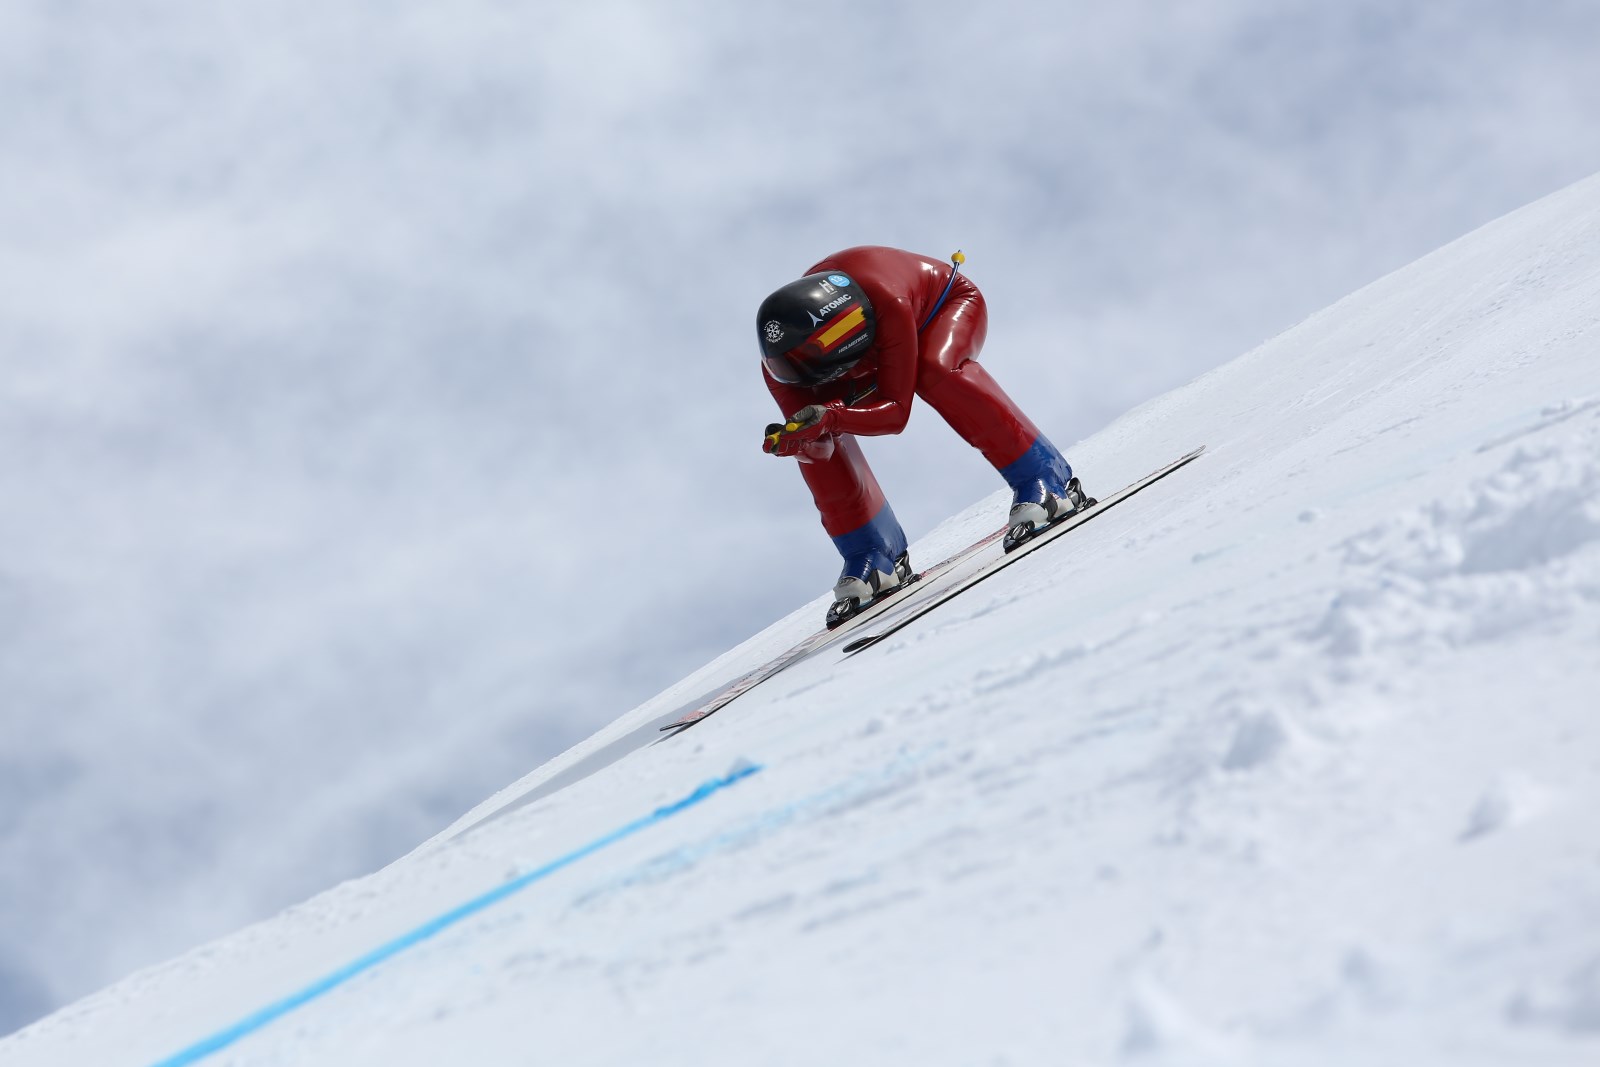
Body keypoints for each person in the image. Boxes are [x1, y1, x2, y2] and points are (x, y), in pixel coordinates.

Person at [757, 245, 1092, 626]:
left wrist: (832, 415)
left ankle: (1047, 481)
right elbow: (821, 440)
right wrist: (799, 442)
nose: (806, 377)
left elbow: (896, 414)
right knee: (814, 440)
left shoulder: (885, 298)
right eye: (794, 369)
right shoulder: (781, 367)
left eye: (813, 365)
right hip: (869, 345)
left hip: (940, 308)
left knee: (936, 370)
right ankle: (873, 555)